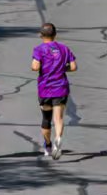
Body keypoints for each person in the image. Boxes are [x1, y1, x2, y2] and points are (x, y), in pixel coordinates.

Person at [32, 23, 79, 158]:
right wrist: (62, 68)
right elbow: (74, 67)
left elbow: (35, 67)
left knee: (46, 118)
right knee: (58, 118)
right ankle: (58, 138)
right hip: (60, 87)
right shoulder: (64, 48)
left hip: (45, 88)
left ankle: (48, 145)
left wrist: (42, 66)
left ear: (41, 35)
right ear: (55, 34)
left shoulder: (39, 49)